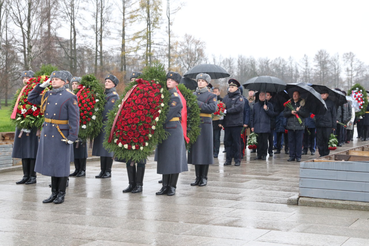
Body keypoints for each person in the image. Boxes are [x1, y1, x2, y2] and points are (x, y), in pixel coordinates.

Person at [28, 71, 79, 204]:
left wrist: (72, 136)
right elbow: (31, 98)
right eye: (52, 79)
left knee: (60, 165)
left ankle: (61, 194)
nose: (53, 81)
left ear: (65, 81)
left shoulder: (70, 97)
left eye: (57, 79)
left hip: (61, 134)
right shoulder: (48, 94)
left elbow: (74, 119)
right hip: (48, 131)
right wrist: (41, 86)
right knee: (51, 164)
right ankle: (53, 193)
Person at [155, 72, 188, 196]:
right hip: (165, 129)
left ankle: (172, 186)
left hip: (173, 129)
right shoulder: (164, 95)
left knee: (174, 159)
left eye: (172, 80)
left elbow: (167, 114)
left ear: (176, 83)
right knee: (165, 158)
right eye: (168, 79)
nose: (169, 81)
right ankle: (165, 186)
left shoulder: (174, 96)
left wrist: (156, 121)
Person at [188, 73, 217, 187]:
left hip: (205, 125)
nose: (200, 82)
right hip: (195, 124)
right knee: (196, 151)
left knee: (204, 151)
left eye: (202, 81)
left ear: (207, 83)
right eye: (198, 80)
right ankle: (197, 177)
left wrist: (198, 103)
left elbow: (212, 108)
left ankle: (204, 177)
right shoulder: (193, 94)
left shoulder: (211, 96)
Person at [12, 70, 39, 185]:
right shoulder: (21, 91)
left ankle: (32, 176)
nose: (25, 79)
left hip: (32, 124)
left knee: (31, 151)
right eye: (24, 78)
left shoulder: (36, 90)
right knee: (24, 150)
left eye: (28, 77)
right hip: (22, 123)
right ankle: (25, 175)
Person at [92, 74, 119, 178]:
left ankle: (108, 171)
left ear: (114, 84)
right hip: (102, 125)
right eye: (106, 81)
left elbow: (107, 111)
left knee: (107, 149)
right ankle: (102, 170)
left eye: (109, 82)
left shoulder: (113, 96)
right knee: (102, 149)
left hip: (108, 124)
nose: (106, 83)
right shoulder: (104, 95)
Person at [221, 79, 244, 166]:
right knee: (227, 142)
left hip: (236, 123)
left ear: (237, 88)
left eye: (232, 87)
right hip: (227, 123)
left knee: (236, 142)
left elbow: (238, 108)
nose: (230, 88)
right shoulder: (226, 98)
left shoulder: (239, 98)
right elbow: (222, 107)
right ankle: (228, 159)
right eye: (230, 87)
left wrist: (227, 111)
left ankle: (237, 159)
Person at [69, 77, 88, 177]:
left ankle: (82, 169)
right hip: (73, 124)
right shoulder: (71, 95)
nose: (74, 85)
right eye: (73, 84)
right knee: (74, 148)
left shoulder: (84, 95)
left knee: (81, 147)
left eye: (76, 83)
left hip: (82, 124)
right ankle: (77, 169)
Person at [283, 91, 309, 162]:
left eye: (296, 94)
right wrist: (290, 112)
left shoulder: (302, 104)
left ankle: (298, 156)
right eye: (293, 94)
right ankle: (292, 156)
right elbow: (284, 114)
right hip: (290, 125)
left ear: (299, 95)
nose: (294, 96)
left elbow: (306, 114)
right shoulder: (289, 103)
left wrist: (299, 111)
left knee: (299, 142)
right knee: (291, 142)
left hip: (299, 126)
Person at [250, 92, 275, 160]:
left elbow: (272, 114)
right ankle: (259, 154)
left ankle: (264, 154)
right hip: (257, 125)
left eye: (263, 95)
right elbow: (252, 116)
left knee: (264, 141)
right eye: (260, 95)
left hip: (265, 126)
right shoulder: (255, 105)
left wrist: (267, 110)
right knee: (258, 141)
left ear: (265, 96)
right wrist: (252, 126)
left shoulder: (269, 105)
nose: (261, 96)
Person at [315, 90, 336, 157]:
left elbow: (334, 115)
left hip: (328, 124)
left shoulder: (331, 103)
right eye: (321, 94)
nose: (322, 95)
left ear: (327, 95)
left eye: (324, 94)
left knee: (326, 139)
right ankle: (321, 153)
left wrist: (334, 125)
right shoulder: (318, 102)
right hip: (319, 124)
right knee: (320, 139)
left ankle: (326, 153)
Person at [266, 92, 278, 157]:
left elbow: (275, 113)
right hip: (264, 123)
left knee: (270, 138)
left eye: (268, 95)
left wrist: (268, 110)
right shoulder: (263, 103)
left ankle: (270, 150)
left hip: (271, 122)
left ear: (270, 96)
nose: (266, 96)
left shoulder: (274, 104)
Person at [212, 87, 223, 158]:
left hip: (217, 122)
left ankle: (216, 152)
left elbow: (222, 112)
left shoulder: (221, 100)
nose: (215, 93)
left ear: (219, 92)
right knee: (212, 138)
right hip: (211, 122)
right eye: (214, 91)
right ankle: (212, 151)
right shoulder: (211, 99)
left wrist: (221, 122)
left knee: (216, 138)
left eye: (216, 91)